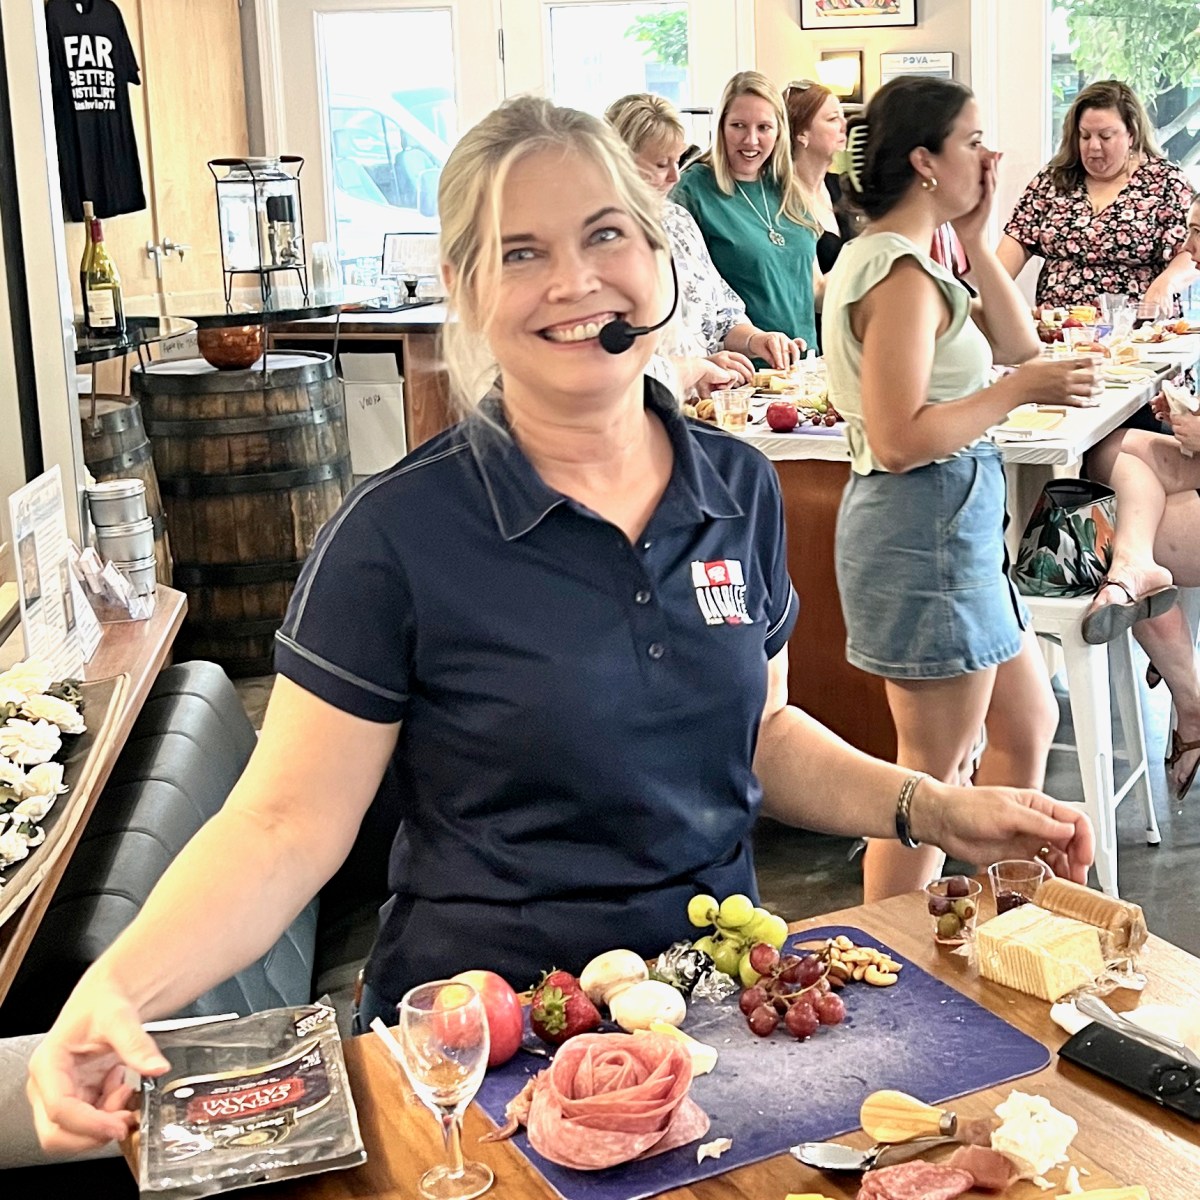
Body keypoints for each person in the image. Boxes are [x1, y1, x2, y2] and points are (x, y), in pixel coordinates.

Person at [27, 96, 1094, 1154]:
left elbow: (759, 735)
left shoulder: (738, 485)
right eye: (522, 252)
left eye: (605, 234)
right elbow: (282, 828)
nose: (577, 282)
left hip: (712, 1031)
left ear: (654, 247)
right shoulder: (395, 536)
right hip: (480, 1061)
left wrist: (933, 809)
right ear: (465, 289)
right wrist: (115, 987)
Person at [823, 76, 1102, 901]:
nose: (991, 155)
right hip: (921, 529)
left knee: (1026, 721)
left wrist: (979, 238)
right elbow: (903, 437)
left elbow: (1015, 341)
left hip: (952, 526)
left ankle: (995, 916)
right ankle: (894, 963)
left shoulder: (918, 256)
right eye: (973, 141)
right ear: (925, 161)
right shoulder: (897, 273)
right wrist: (1015, 395)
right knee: (930, 784)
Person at [606, 92, 803, 374]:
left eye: (677, 161)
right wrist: (693, 370)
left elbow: (723, 313)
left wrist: (756, 339)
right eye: (662, 164)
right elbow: (609, 358)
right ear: (619, 161)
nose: (675, 177)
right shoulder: (598, 244)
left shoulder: (677, 221)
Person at [998, 80, 1195, 312]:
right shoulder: (1053, 180)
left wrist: (1166, 283)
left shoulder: (1166, 182)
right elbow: (1015, 242)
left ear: (1131, 133)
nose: (1093, 147)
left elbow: (1192, 253)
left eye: (1105, 136)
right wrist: (984, 297)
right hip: (1061, 332)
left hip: (1137, 331)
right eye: (1084, 136)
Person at [671, 71, 818, 357]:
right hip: (739, 371)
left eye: (764, 127)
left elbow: (813, 286)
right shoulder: (694, 188)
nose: (751, 140)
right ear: (721, 126)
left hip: (801, 365)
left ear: (779, 132)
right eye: (739, 125)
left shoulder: (787, 188)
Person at [785, 81, 854, 276]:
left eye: (843, 116)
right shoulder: (783, 201)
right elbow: (815, 292)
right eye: (833, 119)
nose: (844, 125)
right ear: (801, 134)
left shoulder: (841, 186)